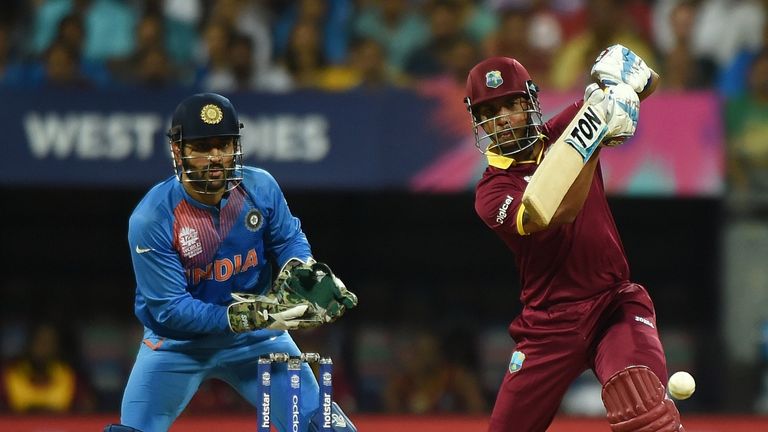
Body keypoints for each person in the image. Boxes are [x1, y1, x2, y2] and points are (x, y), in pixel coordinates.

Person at [104, 93, 357, 432]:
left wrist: (301, 269)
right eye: (203, 146)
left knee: (324, 427)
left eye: (224, 144)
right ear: (178, 151)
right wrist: (241, 316)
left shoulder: (260, 187)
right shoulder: (152, 218)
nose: (216, 157)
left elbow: (288, 240)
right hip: (178, 346)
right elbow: (169, 309)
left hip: (257, 338)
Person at [464, 47, 686, 431]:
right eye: (489, 114)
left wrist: (623, 85)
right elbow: (554, 211)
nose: (501, 121)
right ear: (479, 123)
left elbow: (649, 83)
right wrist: (595, 137)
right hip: (548, 327)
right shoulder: (491, 190)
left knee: (642, 406)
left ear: (531, 102)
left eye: (510, 106)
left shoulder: (564, 130)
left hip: (613, 305)